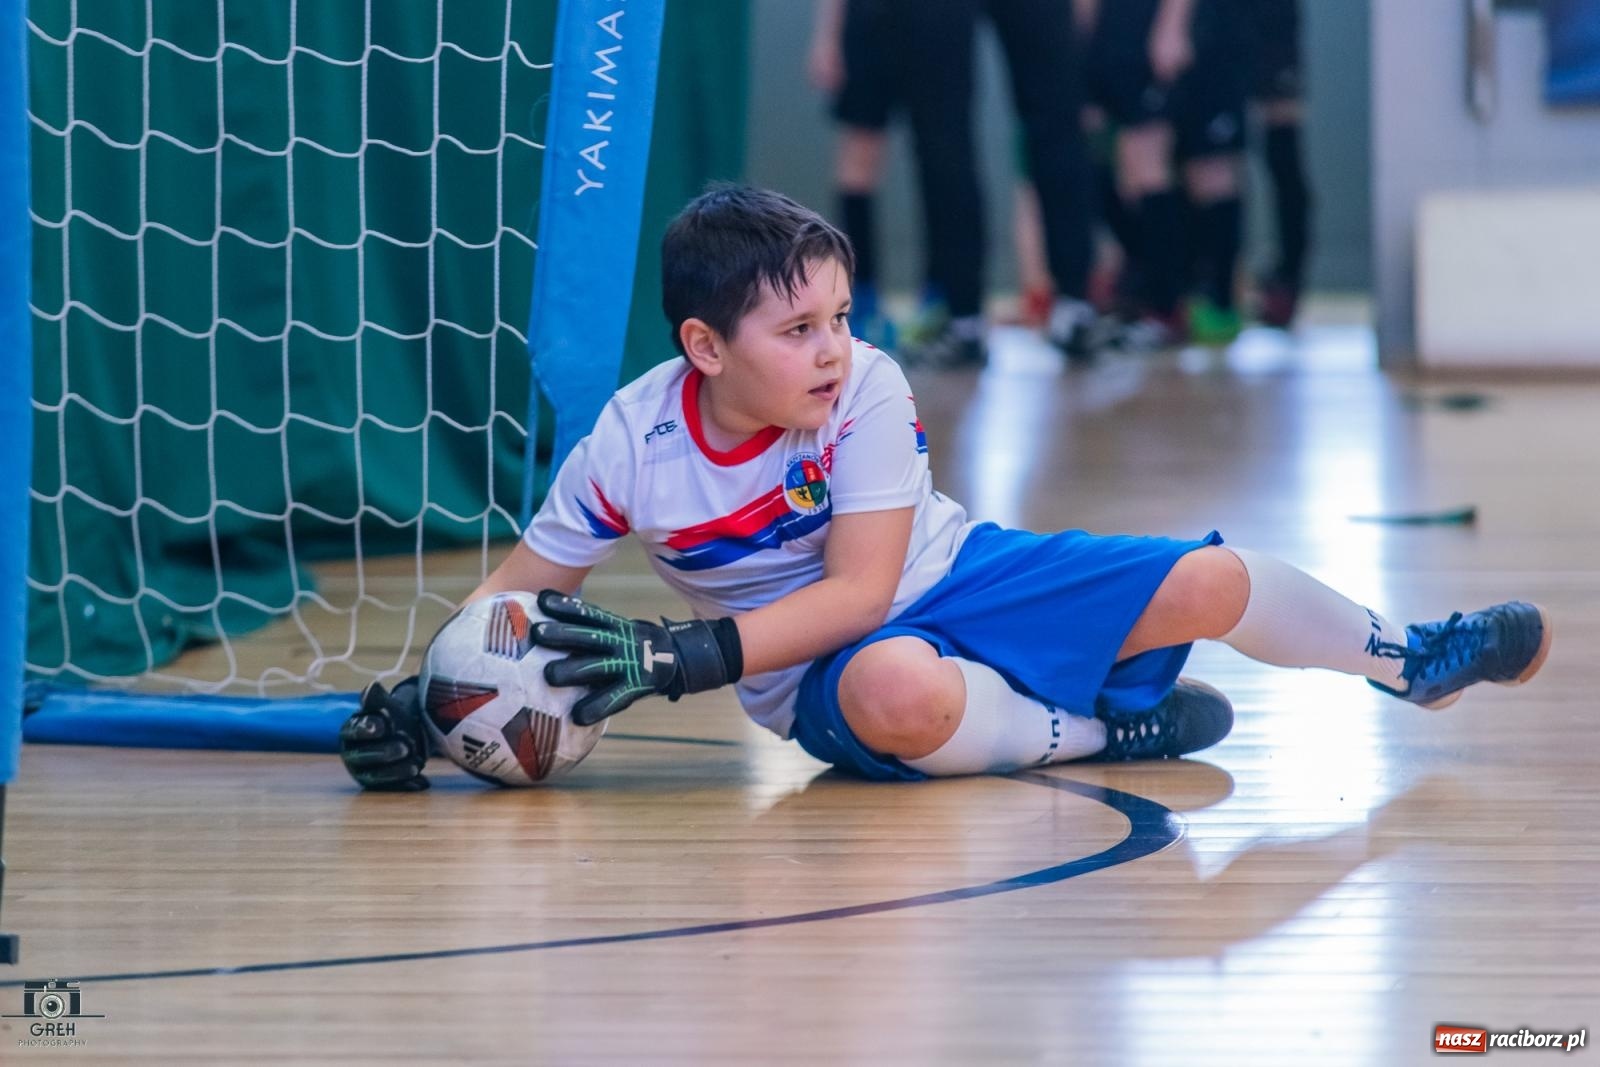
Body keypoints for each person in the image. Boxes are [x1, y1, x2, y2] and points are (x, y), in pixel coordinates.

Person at [338, 186, 1553, 791]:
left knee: (1211, 578)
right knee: (896, 686)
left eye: (839, 315)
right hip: (818, 672)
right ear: (703, 347)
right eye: (797, 329)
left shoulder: (865, 387)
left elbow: (865, 584)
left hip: (954, 571)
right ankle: (1104, 732)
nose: (832, 348)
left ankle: (1411, 658)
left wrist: (679, 655)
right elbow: (515, 594)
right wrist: (420, 698)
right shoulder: (629, 442)